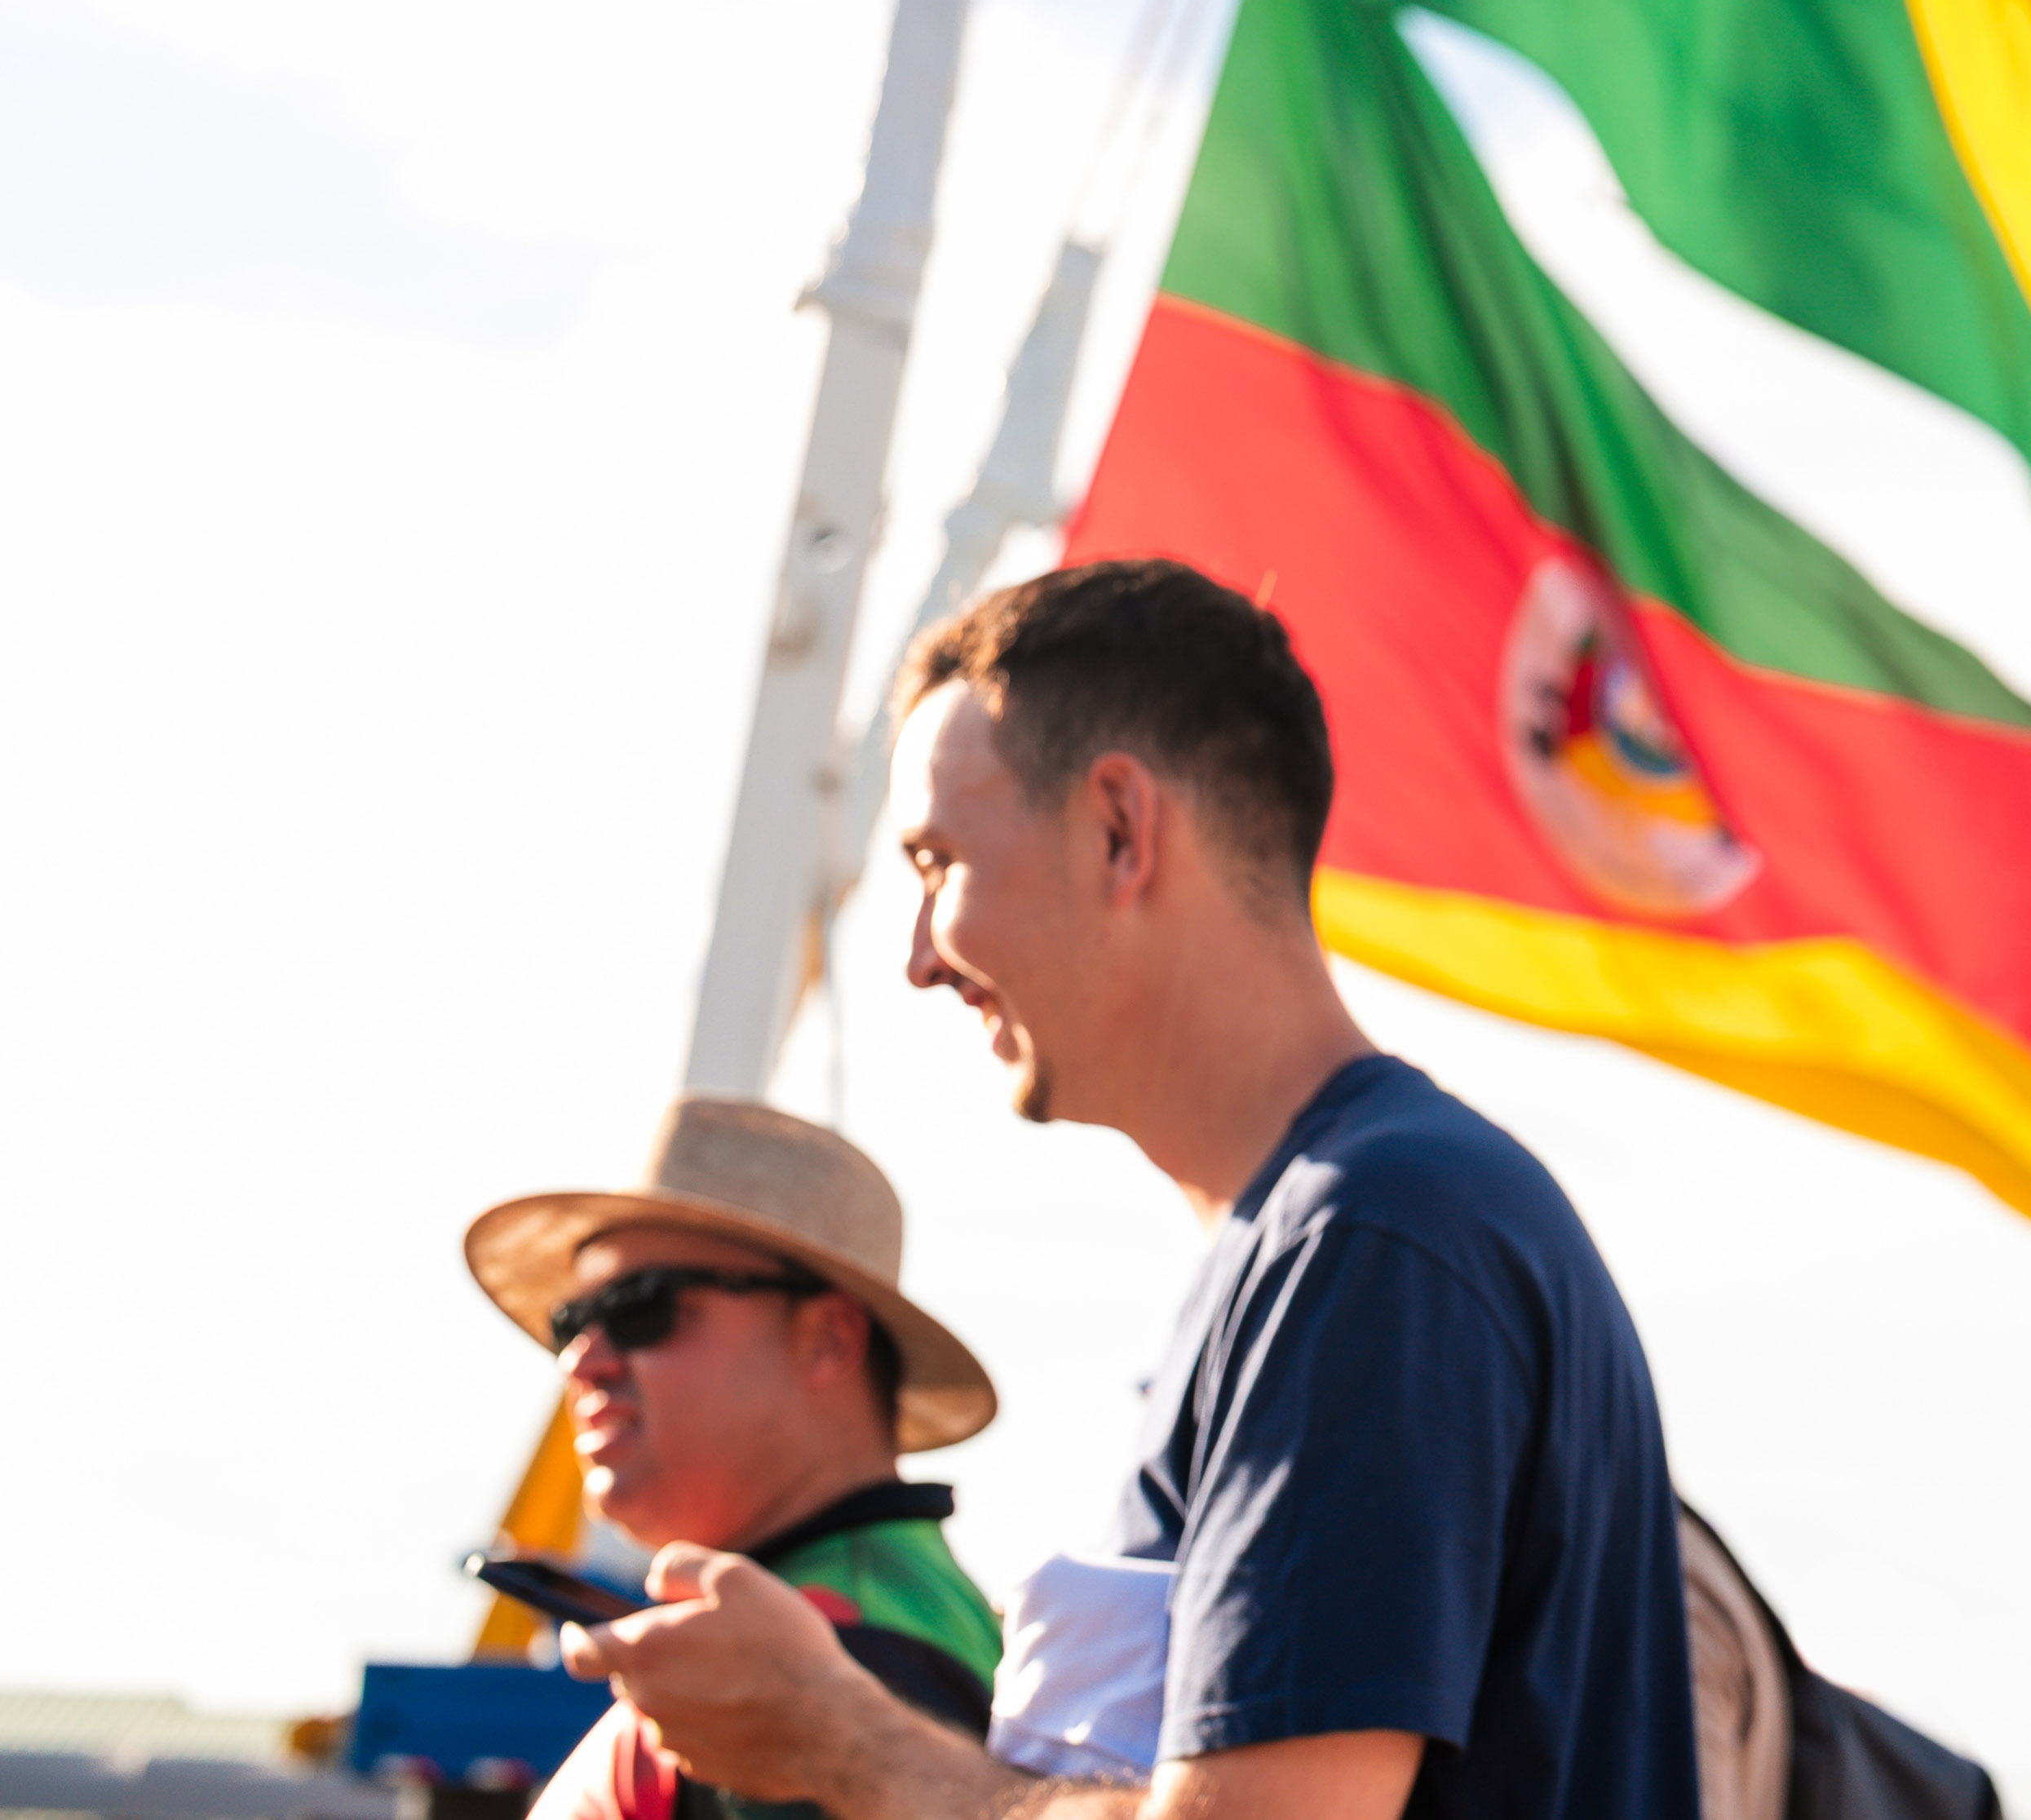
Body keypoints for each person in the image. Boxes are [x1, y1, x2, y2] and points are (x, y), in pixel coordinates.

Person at [573, 559, 1700, 1820]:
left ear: (1120, 826)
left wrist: (844, 1740)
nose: (914, 958)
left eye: (938, 862)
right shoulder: (1345, 1232)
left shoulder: (1370, 1240)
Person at [465, 1096, 1006, 1820]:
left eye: (640, 1307)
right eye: (572, 1320)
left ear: (829, 1341)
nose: (581, 1360)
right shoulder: (848, 1623)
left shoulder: (817, 1671)